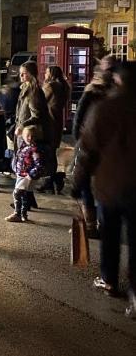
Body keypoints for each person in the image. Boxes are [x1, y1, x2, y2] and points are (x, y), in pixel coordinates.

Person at [72, 61, 136, 319]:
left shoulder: (104, 108)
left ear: (117, 81)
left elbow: (86, 151)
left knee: (110, 236)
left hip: (110, 186)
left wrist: (78, 182)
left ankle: (109, 280)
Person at [72, 56, 117, 237]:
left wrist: (79, 142)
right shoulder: (117, 96)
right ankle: (103, 224)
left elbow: (78, 121)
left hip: (90, 144)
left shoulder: (90, 94)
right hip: (110, 149)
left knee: (85, 186)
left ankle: (90, 224)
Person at [13, 60, 51, 213]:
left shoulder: (34, 92)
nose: (21, 76)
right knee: (23, 167)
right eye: (21, 73)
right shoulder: (25, 88)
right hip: (23, 133)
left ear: (31, 74)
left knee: (25, 169)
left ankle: (21, 207)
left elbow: (37, 115)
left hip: (28, 135)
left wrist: (22, 126)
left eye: (24, 73)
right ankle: (27, 200)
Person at [39, 65, 70, 194]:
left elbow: (39, 101)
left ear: (51, 74)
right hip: (57, 123)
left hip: (48, 123)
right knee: (52, 152)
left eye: (46, 72)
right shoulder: (64, 87)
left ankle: (50, 180)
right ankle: (53, 180)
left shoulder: (50, 86)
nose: (45, 75)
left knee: (47, 153)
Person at [5, 125, 43, 223]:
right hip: (21, 174)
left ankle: (17, 214)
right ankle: (23, 215)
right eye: (27, 135)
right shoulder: (24, 145)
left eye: (32, 136)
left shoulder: (34, 149)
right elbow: (17, 138)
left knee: (17, 193)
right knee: (24, 195)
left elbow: (39, 164)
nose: (30, 138)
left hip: (26, 175)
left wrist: (30, 175)